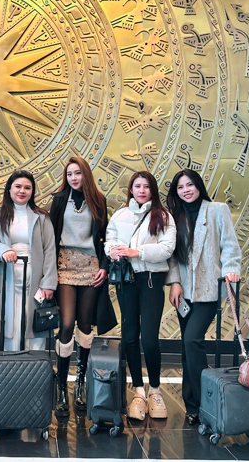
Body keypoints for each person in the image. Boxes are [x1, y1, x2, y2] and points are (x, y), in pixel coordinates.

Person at [166, 169, 241, 425]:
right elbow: (172, 255)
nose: (186, 190)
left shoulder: (217, 210)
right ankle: (193, 406)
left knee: (192, 340)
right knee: (188, 349)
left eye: (190, 185)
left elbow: (229, 245)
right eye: (180, 187)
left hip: (209, 289)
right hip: (183, 292)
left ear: (198, 185)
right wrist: (174, 283)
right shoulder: (174, 216)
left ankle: (205, 403)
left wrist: (231, 269)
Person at [105, 171, 176, 421]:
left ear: (152, 190)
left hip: (151, 280)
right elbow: (109, 241)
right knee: (129, 337)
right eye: (137, 186)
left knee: (149, 338)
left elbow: (168, 248)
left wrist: (138, 252)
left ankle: (155, 390)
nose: (142, 190)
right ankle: (138, 392)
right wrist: (113, 251)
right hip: (126, 281)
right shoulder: (120, 215)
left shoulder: (164, 216)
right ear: (131, 189)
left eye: (146, 186)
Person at [49, 156, 117, 417]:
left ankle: (80, 382)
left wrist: (104, 267)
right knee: (66, 324)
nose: (73, 178)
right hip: (64, 264)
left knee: (86, 325)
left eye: (77, 173)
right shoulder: (59, 200)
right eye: (69, 174)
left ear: (85, 174)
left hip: (90, 266)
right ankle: (61, 386)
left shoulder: (98, 200)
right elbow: (51, 236)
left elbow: (105, 237)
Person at [0, 170, 58, 351]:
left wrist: (48, 283)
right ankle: (10, 364)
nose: (22, 191)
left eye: (27, 188)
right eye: (18, 186)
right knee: (9, 321)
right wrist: (4, 250)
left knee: (33, 322)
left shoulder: (41, 217)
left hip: (35, 275)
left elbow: (49, 250)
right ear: (9, 189)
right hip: (7, 275)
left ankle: (34, 365)